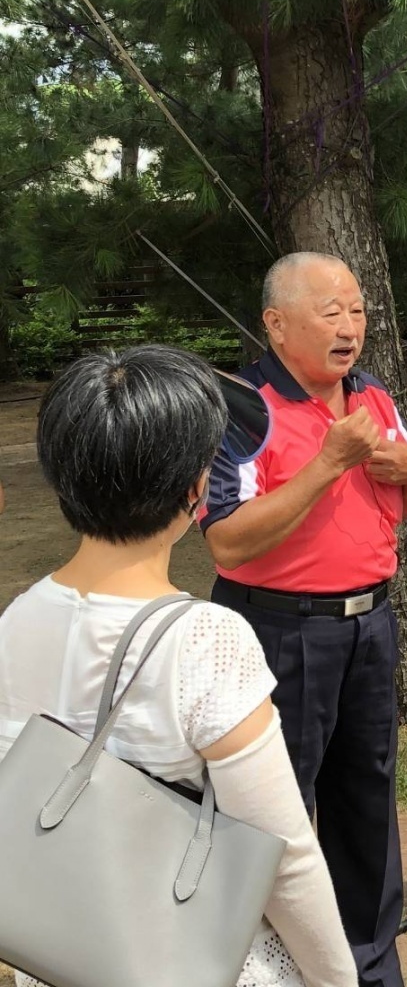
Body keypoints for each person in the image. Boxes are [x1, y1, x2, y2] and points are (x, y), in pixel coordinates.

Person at [0, 345, 357, 987]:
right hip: (187, 953)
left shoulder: (18, 618)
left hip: (61, 950)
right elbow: (284, 855)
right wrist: (338, 978)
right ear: (196, 488)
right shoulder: (206, 639)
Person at [201, 252, 407, 987]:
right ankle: (258, 967)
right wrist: (328, 463)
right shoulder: (241, 405)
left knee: (366, 801)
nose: (350, 327)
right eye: (329, 312)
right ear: (276, 323)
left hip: (370, 626)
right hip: (277, 629)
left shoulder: (373, 396)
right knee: (270, 812)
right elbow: (227, 539)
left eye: (357, 311)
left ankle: (369, 965)